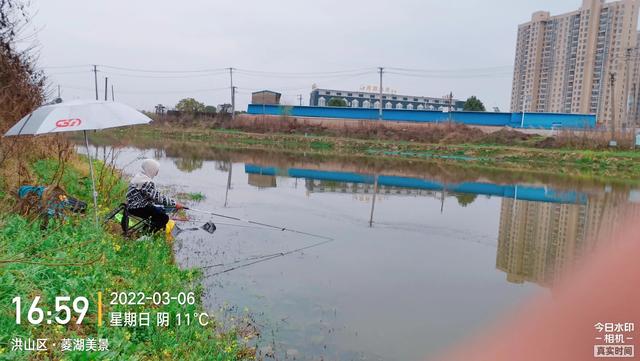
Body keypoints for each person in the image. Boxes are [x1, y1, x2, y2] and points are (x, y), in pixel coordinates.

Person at [126, 159, 184, 233]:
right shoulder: (145, 182)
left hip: (133, 205)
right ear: (151, 169)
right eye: (156, 170)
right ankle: (144, 235)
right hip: (137, 208)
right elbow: (157, 198)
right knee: (163, 218)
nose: (157, 172)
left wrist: (169, 204)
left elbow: (153, 197)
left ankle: (146, 230)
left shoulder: (140, 177)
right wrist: (174, 204)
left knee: (160, 211)